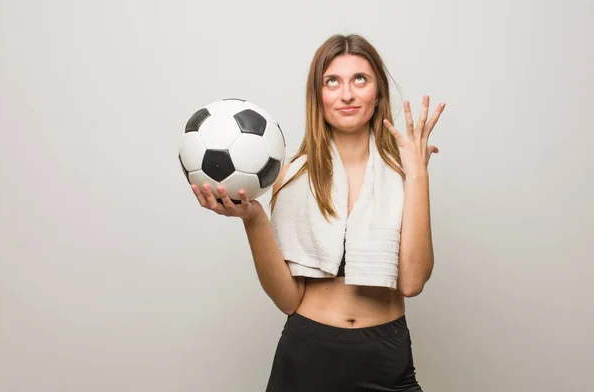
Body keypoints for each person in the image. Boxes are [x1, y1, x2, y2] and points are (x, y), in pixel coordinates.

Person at [191, 33, 445, 392]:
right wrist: (254, 219)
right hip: (306, 357)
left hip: (385, 357)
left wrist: (418, 173)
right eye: (332, 81)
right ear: (318, 97)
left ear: (378, 93)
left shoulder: (404, 174)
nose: (347, 94)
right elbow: (289, 299)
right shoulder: (291, 175)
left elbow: (412, 282)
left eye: (360, 79)